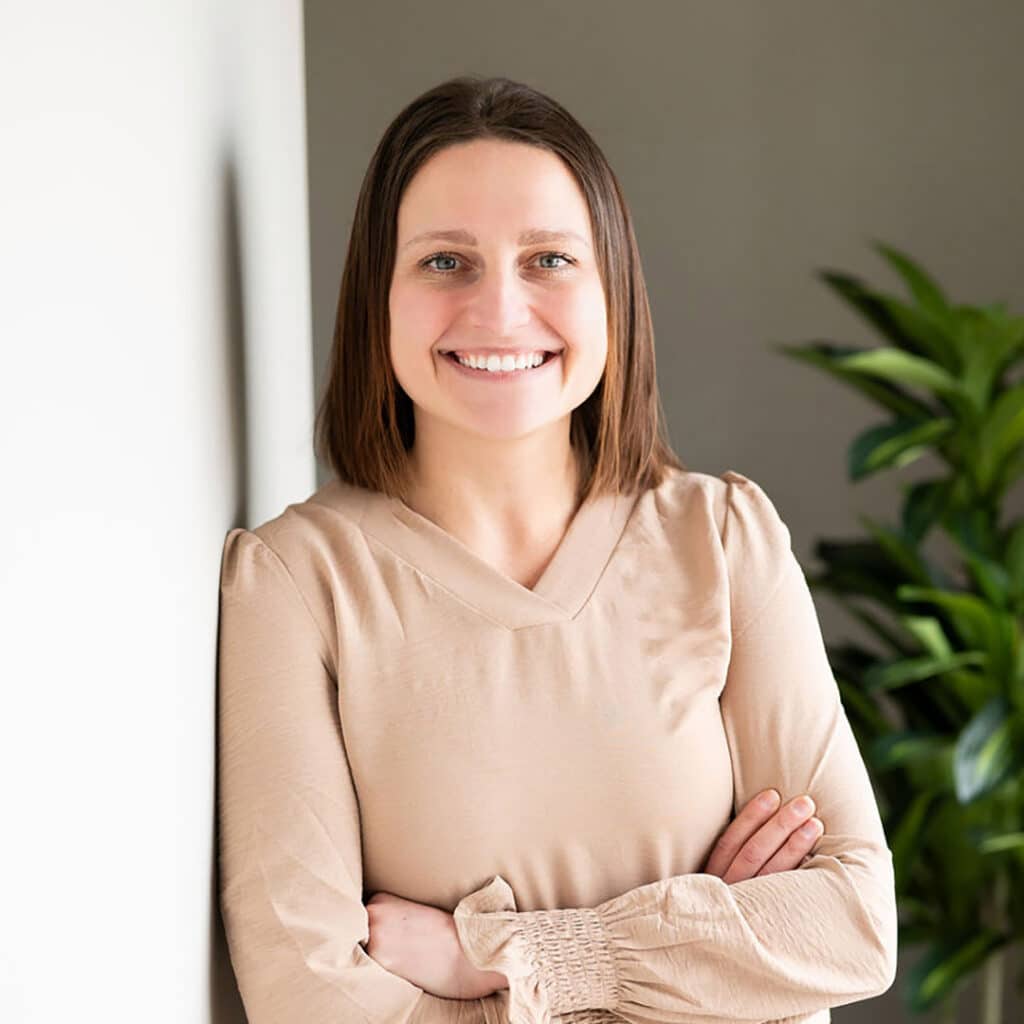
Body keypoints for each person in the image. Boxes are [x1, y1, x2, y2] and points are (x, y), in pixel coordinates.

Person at [216, 75, 898, 1024]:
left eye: (548, 259)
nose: (499, 311)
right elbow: (309, 999)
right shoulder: (296, 583)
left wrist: (501, 955)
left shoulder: (725, 536)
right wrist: (711, 956)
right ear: (380, 295)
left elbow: (853, 926)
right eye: (446, 262)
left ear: (611, 289)